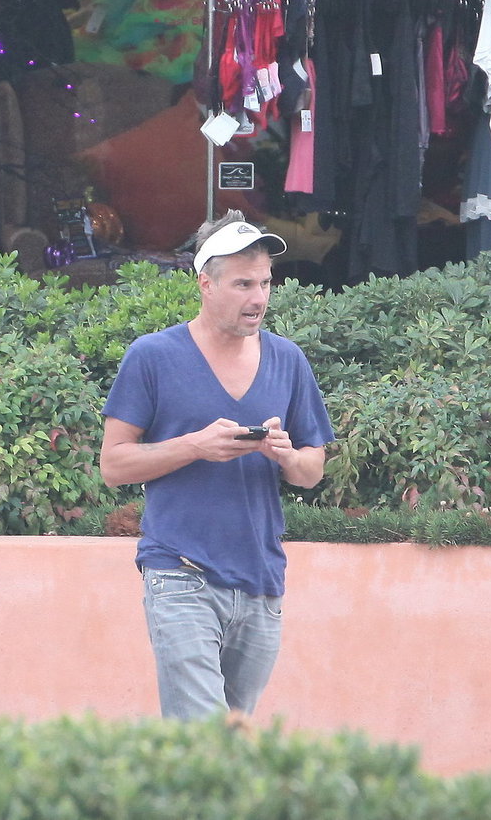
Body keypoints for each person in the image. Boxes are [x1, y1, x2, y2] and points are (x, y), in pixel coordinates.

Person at [100, 210, 334, 720]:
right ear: (206, 284)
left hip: (261, 579)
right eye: (243, 284)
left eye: (265, 283)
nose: (259, 297)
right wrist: (194, 446)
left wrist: (286, 455)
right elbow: (113, 465)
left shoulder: (288, 360)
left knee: (230, 738)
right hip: (179, 572)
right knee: (205, 733)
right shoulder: (152, 356)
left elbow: (312, 471)